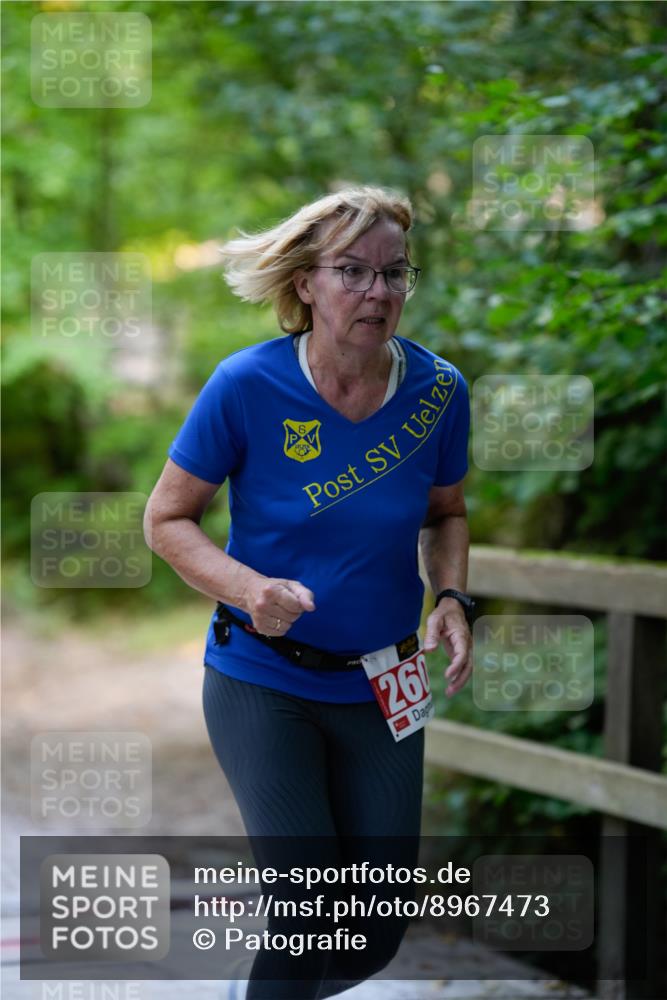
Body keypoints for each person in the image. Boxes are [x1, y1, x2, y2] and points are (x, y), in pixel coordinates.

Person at [144, 185, 473, 999]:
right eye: (352, 272)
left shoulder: (438, 393)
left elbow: (447, 513)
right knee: (306, 908)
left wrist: (454, 598)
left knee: (371, 934)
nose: (378, 292)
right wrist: (248, 588)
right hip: (264, 677)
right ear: (304, 284)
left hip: (386, 679)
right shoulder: (246, 385)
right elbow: (167, 520)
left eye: (394, 273)